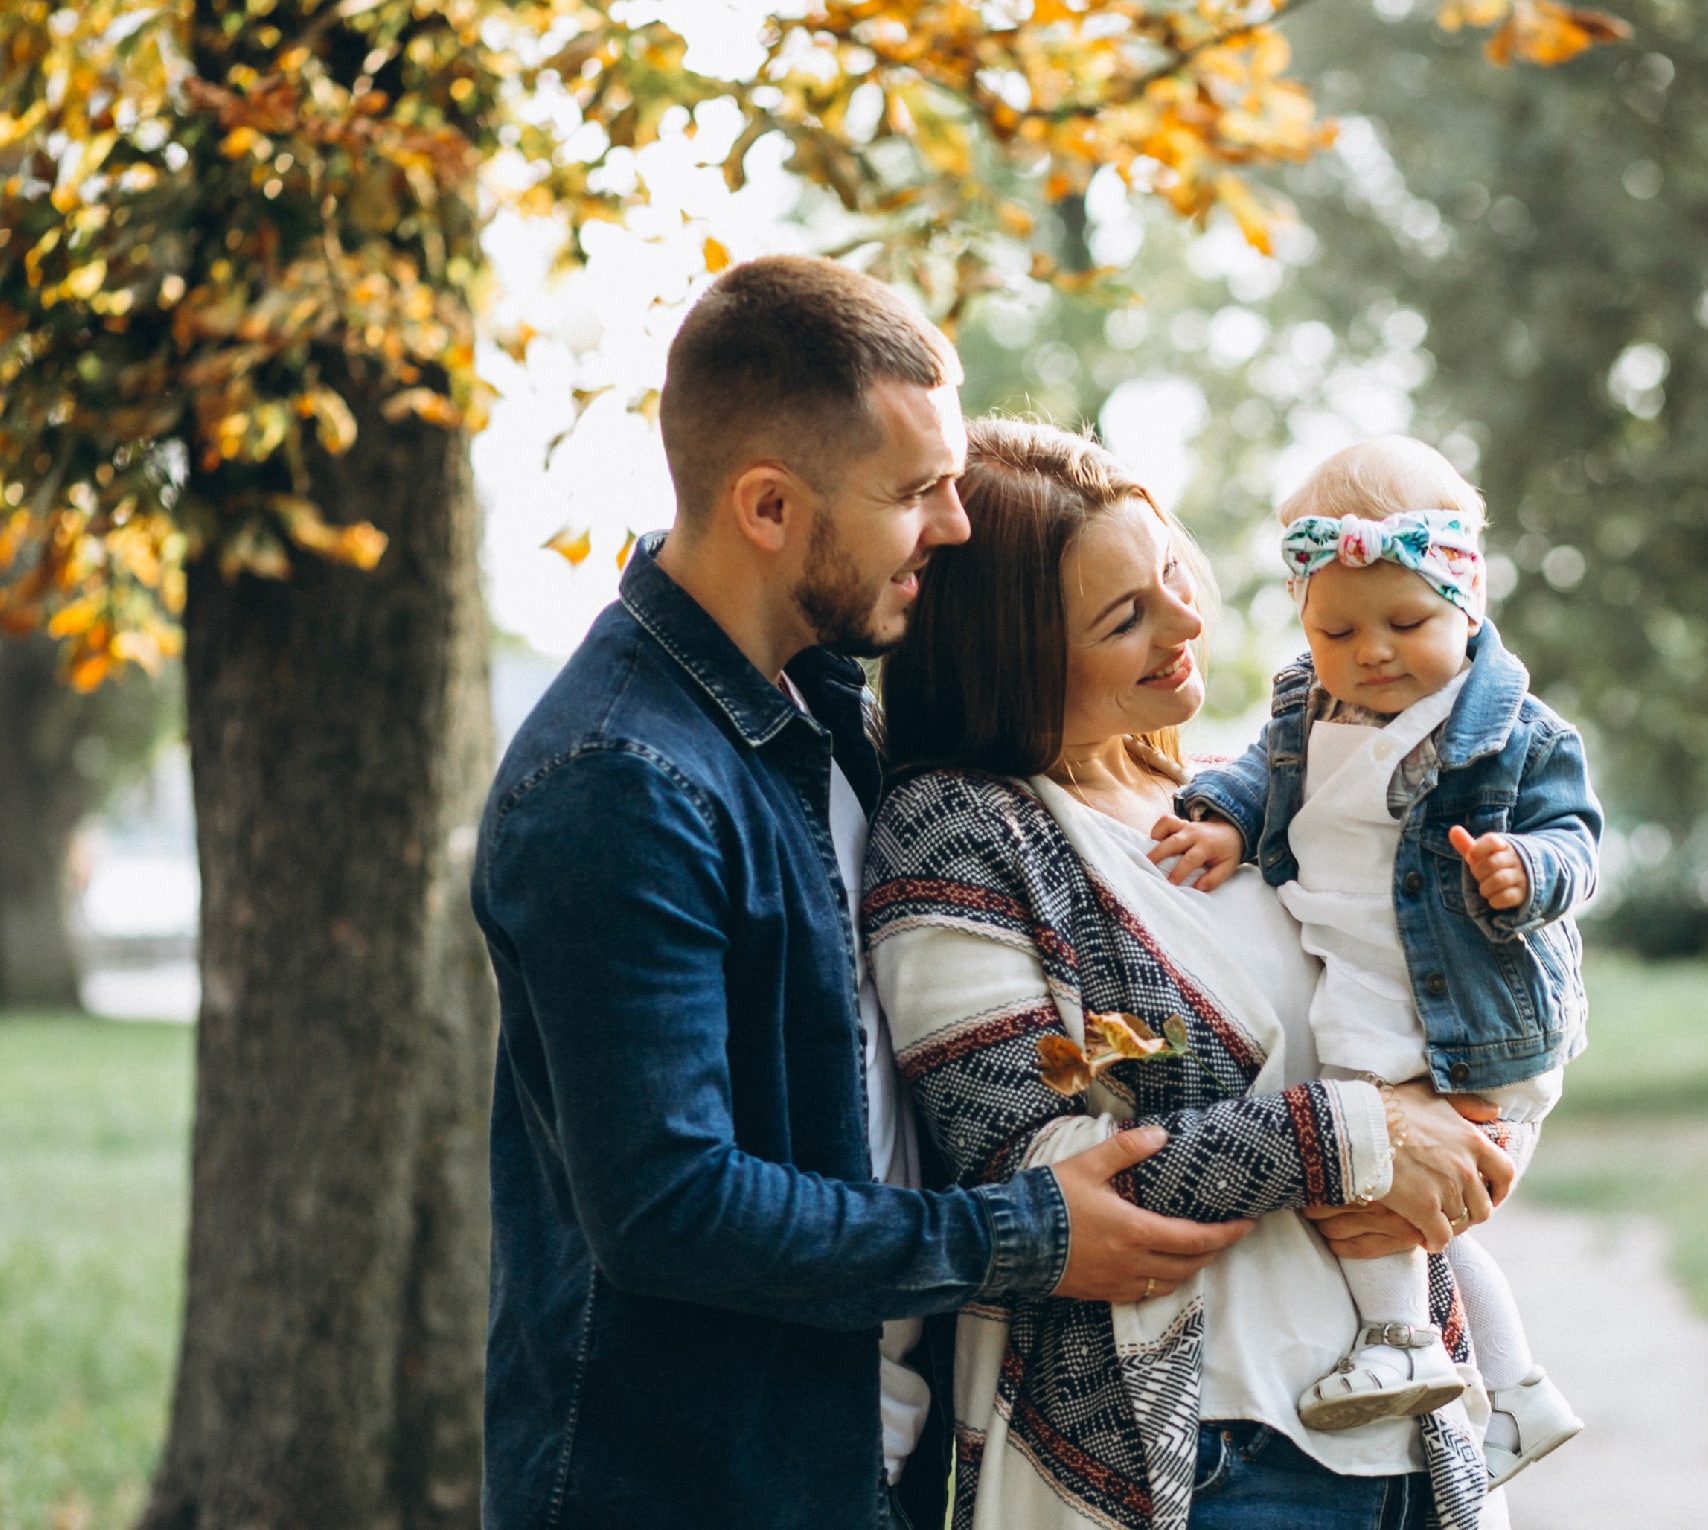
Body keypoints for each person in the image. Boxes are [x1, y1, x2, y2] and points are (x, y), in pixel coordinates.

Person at [468, 258, 1251, 1530]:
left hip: (865, 1462)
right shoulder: (618, 784)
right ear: (770, 507)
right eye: (916, 494)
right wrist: (1023, 1232)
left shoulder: (826, 712)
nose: (952, 527)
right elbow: (672, 1206)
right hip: (696, 1488)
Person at [864, 418, 1523, 1530]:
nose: (1186, 621)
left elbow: (1435, 1012)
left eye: (1172, 570)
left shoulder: (1251, 794)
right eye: (1125, 617)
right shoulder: (961, 833)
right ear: (1014, 656)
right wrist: (1357, 1141)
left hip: (1416, 1444)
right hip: (1198, 1461)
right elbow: (1030, 1175)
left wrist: (1472, 1134)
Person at [1148, 437, 1600, 1485]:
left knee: (1371, 1194)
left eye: (1408, 623)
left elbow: (1578, 841)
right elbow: (1265, 775)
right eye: (1337, 628)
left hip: (1467, 1009)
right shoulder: (1312, 708)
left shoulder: (1514, 734)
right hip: (1366, 989)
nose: (1374, 653)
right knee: (1396, 1201)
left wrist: (1527, 872)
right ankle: (1516, 1386)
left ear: (1468, 603)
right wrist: (1224, 821)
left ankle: (1402, 1344)